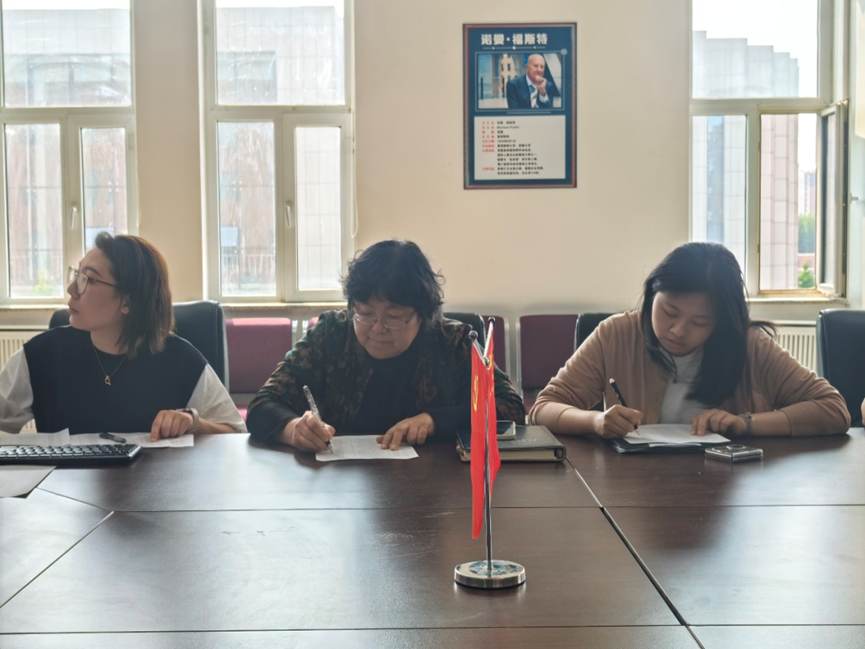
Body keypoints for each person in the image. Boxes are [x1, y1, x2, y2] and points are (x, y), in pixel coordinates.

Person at [530, 243, 850, 438]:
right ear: (652, 294)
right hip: (632, 490)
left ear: (722, 322)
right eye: (669, 311)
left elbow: (833, 410)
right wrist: (596, 420)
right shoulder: (616, 333)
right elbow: (543, 408)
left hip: (727, 494)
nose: (678, 330)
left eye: (700, 322)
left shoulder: (748, 345)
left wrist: (746, 424)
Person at [247, 239, 525, 453]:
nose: (377, 328)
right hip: (341, 489)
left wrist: (434, 421)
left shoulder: (455, 343)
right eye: (365, 313)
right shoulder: (331, 334)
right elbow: (262, 404)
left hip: (437, 489)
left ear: (423, 315)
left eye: (393, 317)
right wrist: (293, 429)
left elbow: (511, 407)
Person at [0, 233, 245, 440]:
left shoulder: (181, 360)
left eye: (88, 280)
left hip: (153, 484)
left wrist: (193, 422)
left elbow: (236, 433)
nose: (71, 289)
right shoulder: (41, 355)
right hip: (60, 484)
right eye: (77, 275)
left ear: (128, 301)